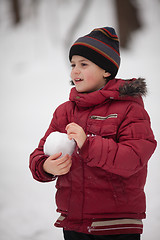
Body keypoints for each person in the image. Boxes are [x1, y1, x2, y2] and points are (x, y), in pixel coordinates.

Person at [29, 27, 157, 240]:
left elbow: (134, 158)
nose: (74, 71)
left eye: (83, 64)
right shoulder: (65, 111)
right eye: (72, 65)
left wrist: (88, 145)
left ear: (106, 70)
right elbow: (39, 152)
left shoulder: (130, 109)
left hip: (117, 225)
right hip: (73, 223)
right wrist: (45, 166)